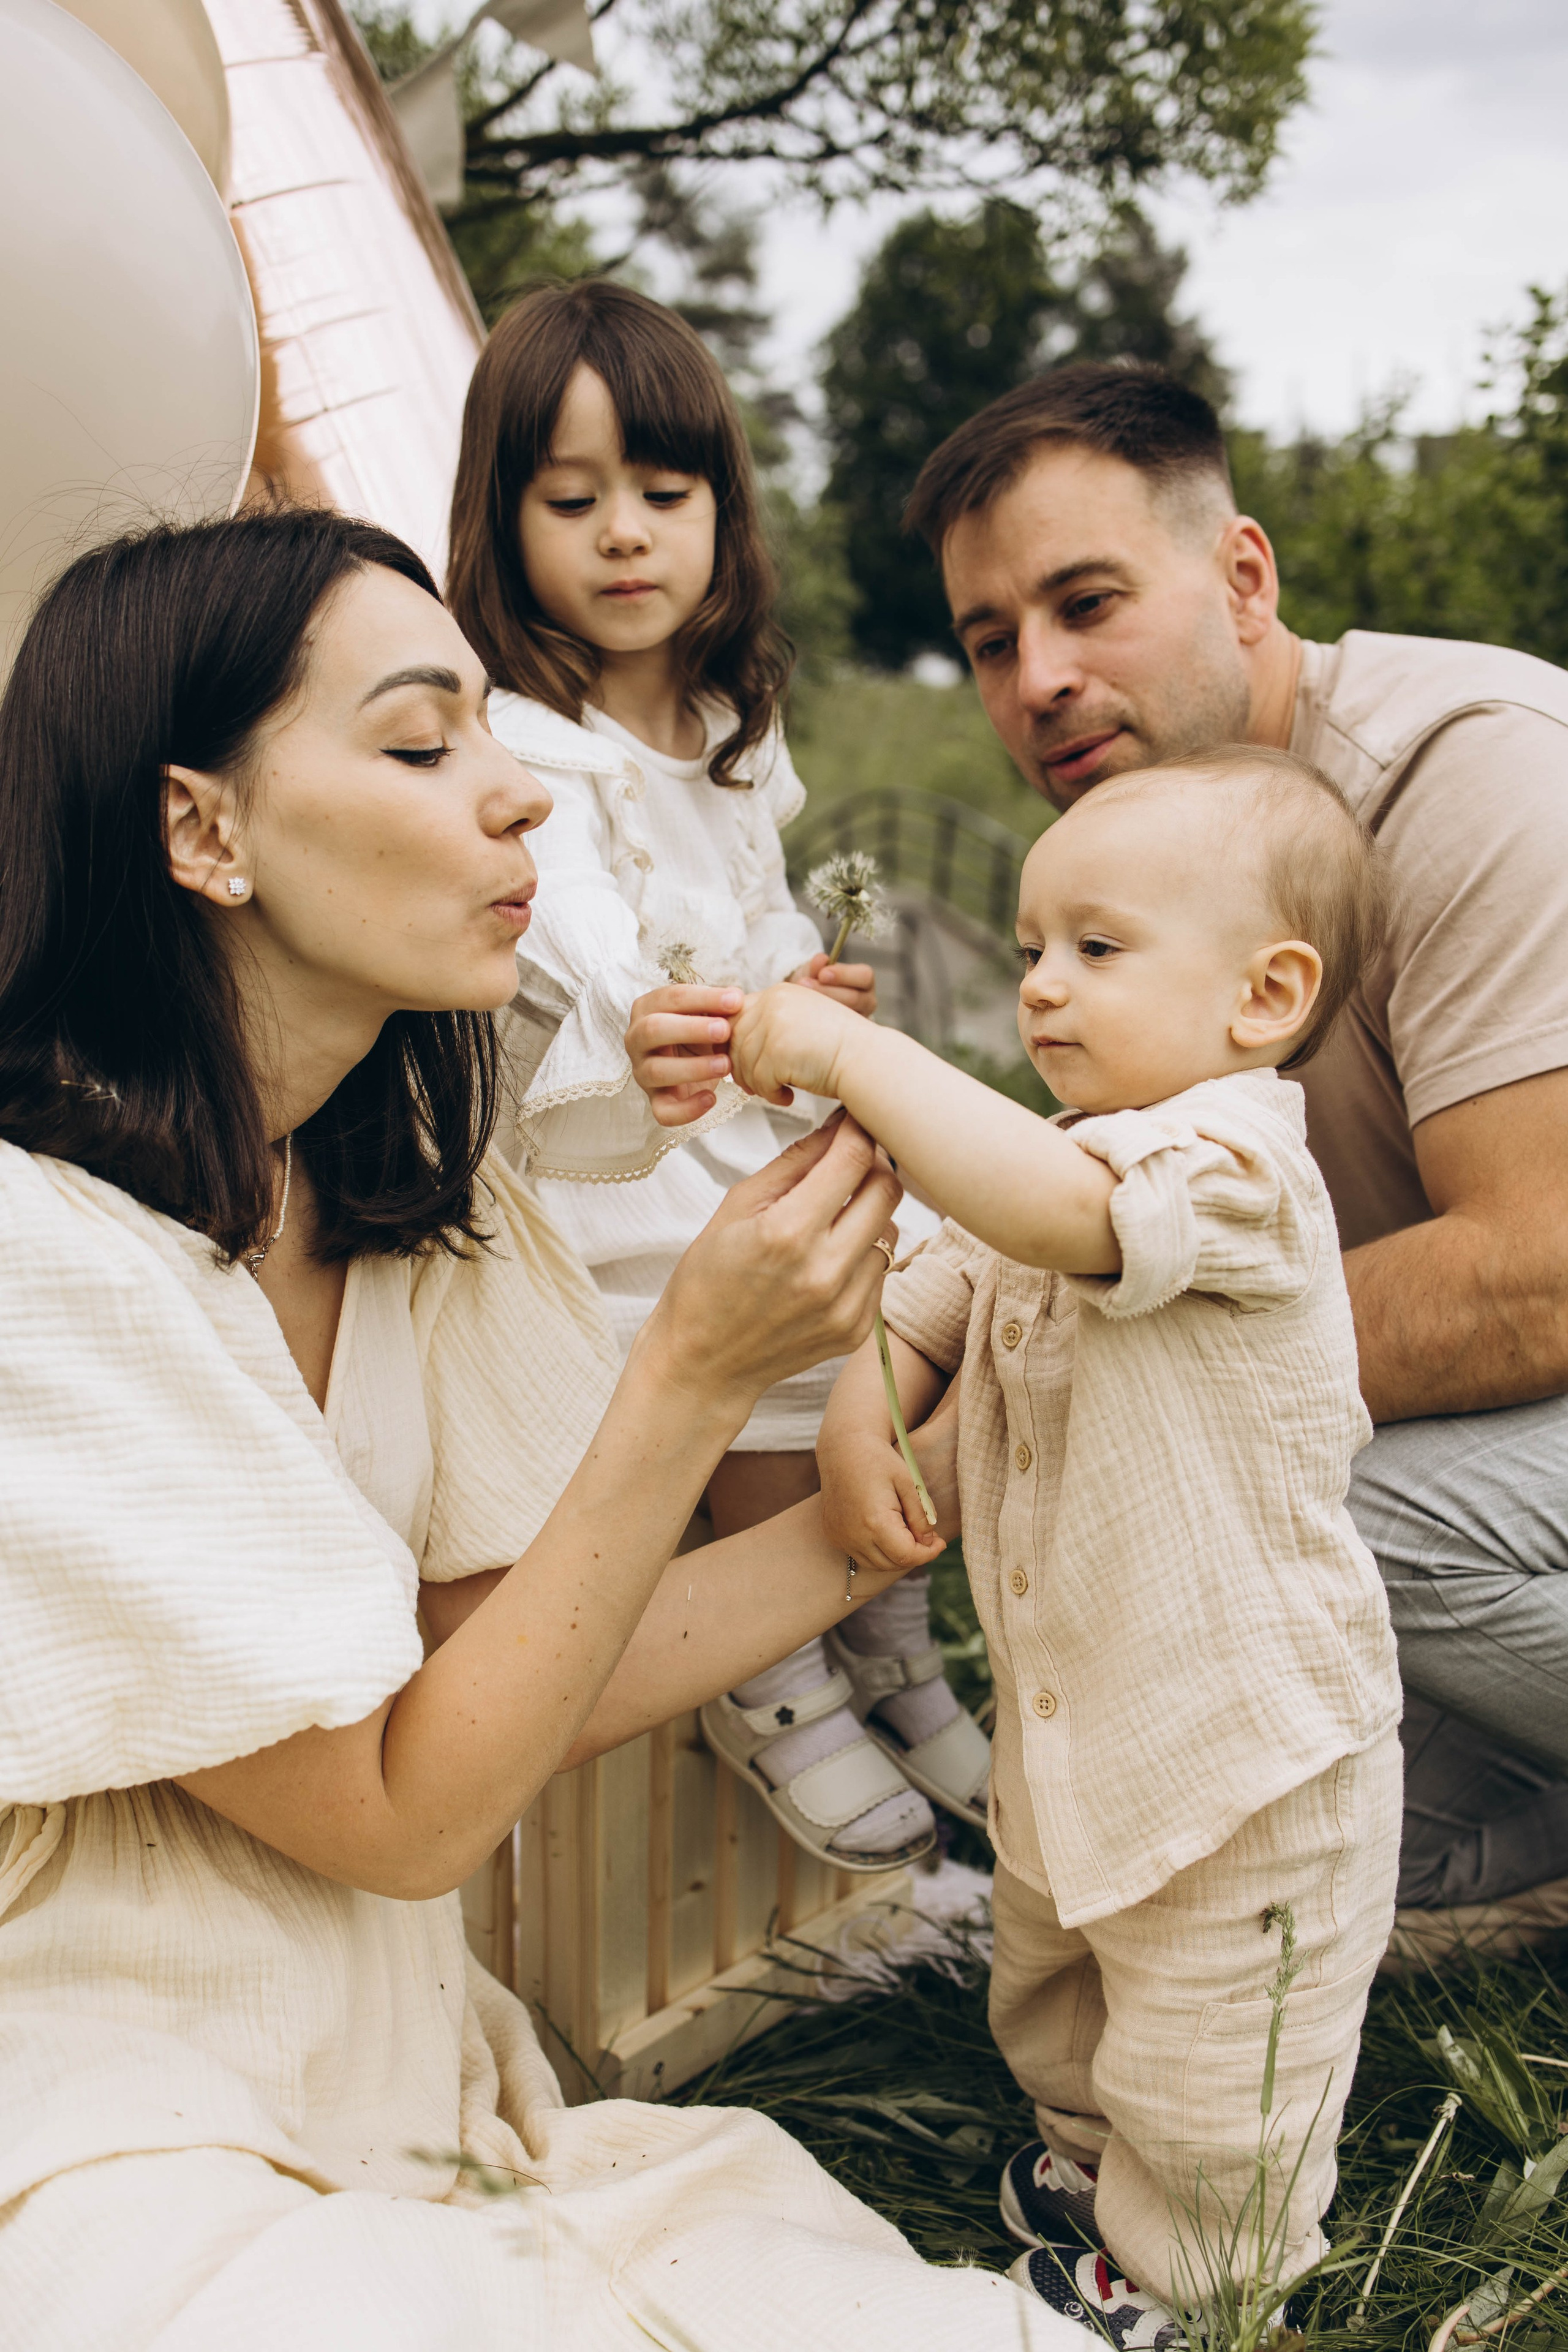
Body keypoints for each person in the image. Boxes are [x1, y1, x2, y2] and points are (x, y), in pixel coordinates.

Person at [0, 506, 1085, 2352]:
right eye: (426, 744)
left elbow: (505, 1680)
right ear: (203, 828)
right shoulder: (42, 1249)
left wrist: (886, 1511)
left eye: (501, 734)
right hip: (103, 2096)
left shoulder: (427, 1185)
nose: (525, 800)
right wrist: (695, 1375)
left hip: (409, 2079)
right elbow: (404, 1812)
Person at [715, 745, 1404, 2335]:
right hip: (1085, 1709)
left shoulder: (1234, 1169)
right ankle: (1096, 2172)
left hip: (1250, 1755)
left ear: (1264, 994)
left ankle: (1205, 2280)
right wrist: (857, 1408)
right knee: (1055, 1979)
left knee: (1217, 2044)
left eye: (1095, 948)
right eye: (1031, 948)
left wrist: (851, 1053)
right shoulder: (1076, 1140)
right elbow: (939, 1284)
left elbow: (1039, 1219)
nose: (1040, 987)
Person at [897, 361, 1568, 1941]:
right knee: (1207, 1866)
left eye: (1087, 604)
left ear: (1243, 578)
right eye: (994, 642)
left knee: (1324, 1511)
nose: (1039, 679)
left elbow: (1536, 1275)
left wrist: (1036, 1427)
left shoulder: (1473, 772)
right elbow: (1064, 1216)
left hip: (1504, 1415)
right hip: (1501, 1445)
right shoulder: (1150, 863)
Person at [444, 279, 989, 1874]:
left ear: (719, 513)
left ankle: (887, 1632)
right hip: (596, 1138)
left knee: (869, 1263)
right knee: (731, 1283)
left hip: (731, 1101)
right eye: (574, 499)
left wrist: (797, 988)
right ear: (506, 517)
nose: (626, 536)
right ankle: (775, 1671)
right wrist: (647, 1022)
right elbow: (577, 943)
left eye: (663, 496)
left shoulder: (727, 722)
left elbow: (746, 913)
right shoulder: (524, 735)